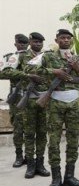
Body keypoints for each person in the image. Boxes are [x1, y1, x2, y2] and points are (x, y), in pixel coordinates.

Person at [35, 29, 79, 186]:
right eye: (62, 38)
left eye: (68, 38)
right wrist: (54, 71)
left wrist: (78, 69)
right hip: (55, 102)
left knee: (73, 141)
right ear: (56, 40)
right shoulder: (48, 56)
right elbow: (33, 71)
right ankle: (56, 178)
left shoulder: (78, 58)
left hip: (73, 103)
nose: (66, 40)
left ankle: (70, 176)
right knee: (54, 141)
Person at [19, 32, 50, 178]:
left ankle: (40, 164)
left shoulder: (47, 57)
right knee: (30, 134)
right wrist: (28, 76)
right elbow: (5, 72)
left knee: (42, 133)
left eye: (40, 42)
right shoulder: (21, 56)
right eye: (36, 41)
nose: (38, 44)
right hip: (29, 100)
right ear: (30, 41)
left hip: (44, 100)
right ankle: (30, 165)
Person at [2, 34, 30, 168]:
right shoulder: (10, 57)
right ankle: (19, 156)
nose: (23, 46)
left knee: (31, 128)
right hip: (17, 96)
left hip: (31, 96)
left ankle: (29, 156)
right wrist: (24, 75)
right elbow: (3, 73)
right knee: (18, 128)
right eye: (21, 43)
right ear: (16, 44)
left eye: (25, 43)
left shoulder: (35, 57)